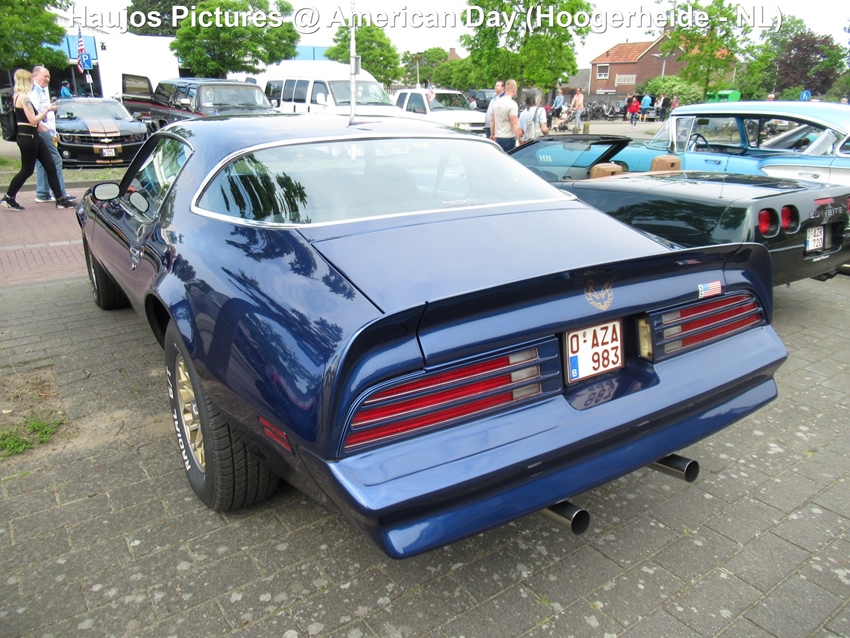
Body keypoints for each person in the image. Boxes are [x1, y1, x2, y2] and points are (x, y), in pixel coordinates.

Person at [2, 70, 76, 211]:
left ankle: (60, 199)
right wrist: (47, 110)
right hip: (28, 137)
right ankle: (9, 197)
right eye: (30, 81)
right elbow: (33, 119)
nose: (32, 84)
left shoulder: (18, 96)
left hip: (33, 136)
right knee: (27, 170)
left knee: (50, 165)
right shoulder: (23, 98)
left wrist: (48, 130)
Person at [30, 66, 75, 204]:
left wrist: (53, 131)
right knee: (56, 160)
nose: (48, 79)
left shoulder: (40, 91)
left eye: (49, 76)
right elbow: (33, 112)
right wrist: (44, 129)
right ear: (35, 76)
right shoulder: (35, 91)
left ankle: (42, 193)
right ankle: (60, 193)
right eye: (45, 76)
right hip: (42, 132)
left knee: (42, 163)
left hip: (44, 131)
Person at [490, 79, 521, 152]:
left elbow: (492, 120)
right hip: (508, 138)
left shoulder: (496, 103)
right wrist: (519, 138)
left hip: (498, 137)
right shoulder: (512, 104)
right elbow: (514, 124)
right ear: (514, 90)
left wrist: (492, 134)